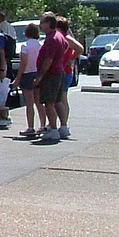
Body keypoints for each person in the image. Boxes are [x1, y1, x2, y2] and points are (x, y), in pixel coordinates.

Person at [34, 12, 68, 144]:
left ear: (49, 23)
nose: (40, 25)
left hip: (51, 74)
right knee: (57, 101)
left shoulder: (51, 39)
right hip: (59, 72)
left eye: (42, 22)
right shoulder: (60, 36)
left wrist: (40, 76)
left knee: (49, 103)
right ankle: (63, 127)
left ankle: (53, 130)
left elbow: (48, 59)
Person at [55, 17, 86, 140]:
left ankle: (64, 125)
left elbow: (80, 49)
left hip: (65, 71)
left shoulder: (66, 38)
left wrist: (70, 59)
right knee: (59, 99)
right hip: (62, 70)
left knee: (62, 99)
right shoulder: (60, 37)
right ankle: (59, 123)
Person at [16, 23, 44, 137]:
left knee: (29, 103)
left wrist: (18, 77)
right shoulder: (40, 45)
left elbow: (23, 63)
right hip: (37, 73)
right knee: (39, 102)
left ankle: (30, 127)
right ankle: (43, 125)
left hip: (27, 74)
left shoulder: (25, 46)